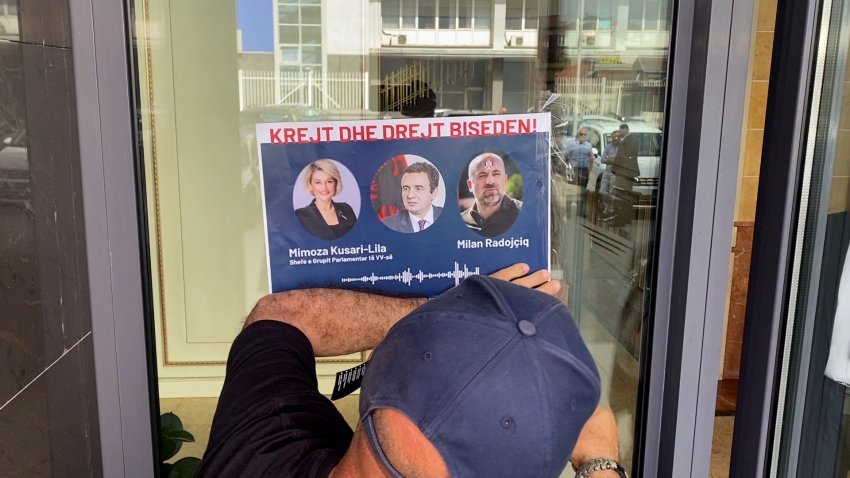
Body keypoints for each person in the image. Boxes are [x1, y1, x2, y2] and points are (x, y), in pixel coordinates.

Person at [197, 263, 625, 478]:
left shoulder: (254, 445)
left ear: (376, 371)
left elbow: (279, 315)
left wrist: (443, 314)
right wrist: (600, 464)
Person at [461, 152, 523, 237]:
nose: (490, 182)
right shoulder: (460, 223)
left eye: (496, 174)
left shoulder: (524, 214)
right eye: (482, 175)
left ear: (505, 180)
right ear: (470, 185)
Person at [295, 160, 357, 240]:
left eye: (329, 181)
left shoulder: (346, 209)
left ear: (336, 183)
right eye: (318, 182)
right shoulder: (301, 215)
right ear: (310, 185)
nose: (324, 188)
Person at [382, 162, 443, 233]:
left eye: (418, 188)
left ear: (433, 193)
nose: (410, 195)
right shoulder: (387, 225)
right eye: (406, 188)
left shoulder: (449, 217)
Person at [606, 124, 640, 226]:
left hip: (624, 173)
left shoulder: (629, 141)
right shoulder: (630, 140)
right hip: (626, 172)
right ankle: (626, 218)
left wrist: (614, 167)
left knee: (621, 196)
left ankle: (621, 220)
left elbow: (622, 157)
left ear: (625, 130)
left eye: (620, 130)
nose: (619, 133)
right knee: (626, 196)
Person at [597, 130, 622, 220]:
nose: (615, 139)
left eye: (617, 137)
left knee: (612, 193)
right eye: (613, 137)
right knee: (602, 192)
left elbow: (621, 161)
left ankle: (610, 211)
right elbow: (602, 159)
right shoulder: (608, 146)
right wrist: (612, 160)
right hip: (606, 173)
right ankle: (605, 209)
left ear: (620, 138)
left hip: (615, 174)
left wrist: (611, 160)